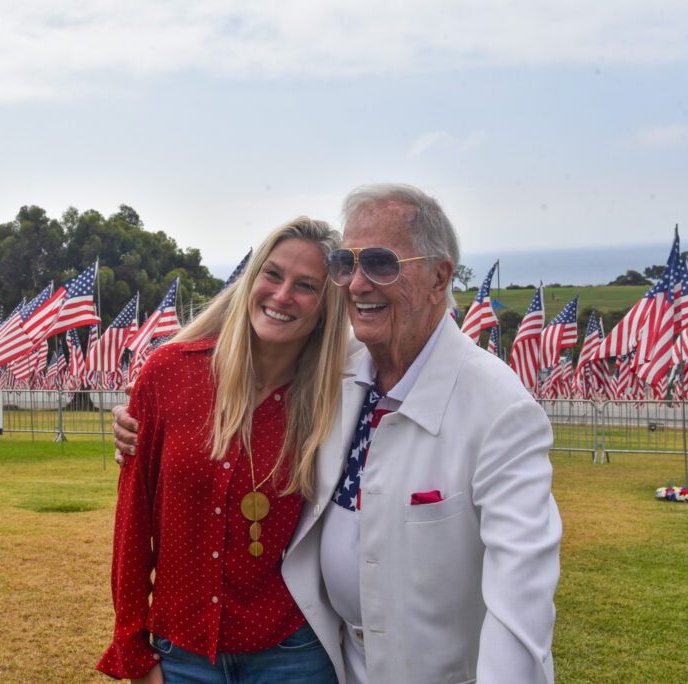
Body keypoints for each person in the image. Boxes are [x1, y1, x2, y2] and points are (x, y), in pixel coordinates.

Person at [114, 184, 562, 683]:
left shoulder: (498, 408)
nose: (358, 283)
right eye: (347, 265)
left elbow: (520, 601)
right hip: (332, 660)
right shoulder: (340, 375)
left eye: (382, 263)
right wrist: (140, 427)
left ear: (440, 278)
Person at [97, 217, 348, 683]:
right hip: (181, 656)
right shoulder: (170, 373)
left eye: (306, 285)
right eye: (272, 274)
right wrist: (133, 649)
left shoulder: (337, 398)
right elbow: (132, 522)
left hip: (292, 653)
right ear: (251, 280)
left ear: (324, 309)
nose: (282, 295)